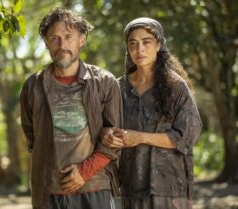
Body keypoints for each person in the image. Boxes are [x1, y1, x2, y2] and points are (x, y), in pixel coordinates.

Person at [19, 8, 122, 209]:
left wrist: (84, 172)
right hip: (48, 193)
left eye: (68, 37)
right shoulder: (32, 86)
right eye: (55, 38)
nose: (62, 45)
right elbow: (32, 138)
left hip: (94, 188)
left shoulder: (105, 82)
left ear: (81, 39)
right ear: (46, 43)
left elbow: (116, 139)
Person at [101, 17, 202, 209]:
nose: (139, 49)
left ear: (159, 44)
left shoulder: (176, 87)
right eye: (133, 43)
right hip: (132, 183)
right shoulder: (117, 87)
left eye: (146, 42)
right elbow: (105, 126)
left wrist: (140, 137)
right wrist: (106, 134)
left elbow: (187, 135)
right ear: (127, 48)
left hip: (169, 185)